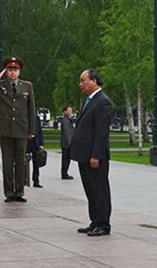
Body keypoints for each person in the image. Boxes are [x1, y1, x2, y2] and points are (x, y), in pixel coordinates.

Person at [0, 56, 36, 203]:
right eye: (10, 70)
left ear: (19, 71)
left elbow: (31, 109)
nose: (12, 72)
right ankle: (9, 192)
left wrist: (32, 130)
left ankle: (19, 191)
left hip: (22, 129)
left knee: (20, 161)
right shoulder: (0, 86)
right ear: (6, 71)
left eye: (15, 70)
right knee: (8, 162)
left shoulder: (27, 86)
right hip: (5, 130)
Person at [69, 69, 112, 237]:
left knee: (99, 190)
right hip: (84, 154)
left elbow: (101, 133)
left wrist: (96, 155)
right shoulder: (89, 100)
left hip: (95, 156)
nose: (80, 84)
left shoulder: (102, 102)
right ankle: (94, 221)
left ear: (93, 81)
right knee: (90, 189)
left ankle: (103, 224)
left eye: (83, 80)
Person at [27, 115, 44, 188]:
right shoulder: (24, 115)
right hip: (26, 142)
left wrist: (41, 143)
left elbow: (39, 131)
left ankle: (36, 181)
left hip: (35, 143)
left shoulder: (36, 117)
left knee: (36, 164)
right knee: (24, 162)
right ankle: (24, 179)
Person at [60, 105, 74, 180]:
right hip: (66, 144)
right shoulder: (65, 121)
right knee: (66, 159)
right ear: (65, 112)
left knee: (67, 159)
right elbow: (66, 133)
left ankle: (65, 173)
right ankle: (64, 173)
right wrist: (69, 144)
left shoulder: (68, 120)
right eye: (69, 110)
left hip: (67, 143)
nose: (70, 112)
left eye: (71, 110)